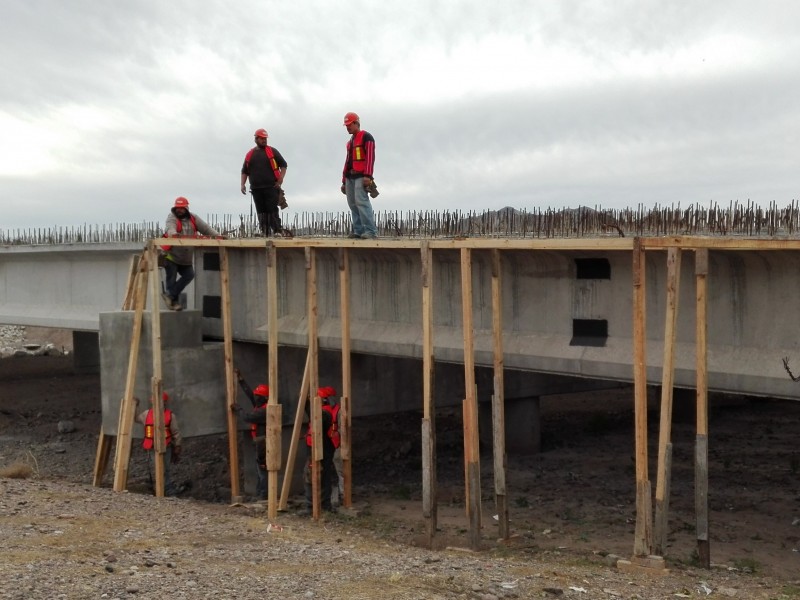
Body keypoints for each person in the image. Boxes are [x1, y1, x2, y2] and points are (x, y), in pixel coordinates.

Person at [160, 196, 222, 311]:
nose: (179, 210)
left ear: (186, 208)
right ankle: (174, 304)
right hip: (172, 256)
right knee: (171, 280)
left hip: (186, 258)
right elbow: (170, 228)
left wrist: (218, 236)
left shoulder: (193, 218)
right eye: (177, 208)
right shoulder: (172, 217)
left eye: (182, 208)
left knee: (189, 275)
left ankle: (169, 295)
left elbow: (206, 229)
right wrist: (174, 234)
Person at [240, 128, 289, 237]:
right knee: (261, 211)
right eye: (262, 138)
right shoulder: (250, 154)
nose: (264, 140)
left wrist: (280, 179)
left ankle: (277, 231)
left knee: (272, 209)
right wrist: (242, 184)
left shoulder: (272, 151)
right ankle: (265, 231)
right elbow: (244, 171)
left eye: (265, 139)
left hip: (271, 187)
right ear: (256, 139)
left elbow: (284, 165)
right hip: (256, 189)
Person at [301, 386, 340, 515]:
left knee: (310, 476)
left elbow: (314, 417)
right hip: (324, 449)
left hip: (319, 450)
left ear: (322, 400)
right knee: (324, 476)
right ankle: (324, 505)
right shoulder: (327, 411)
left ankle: (311, 507)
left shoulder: (323, 414)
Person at [134, 392, 183, 496]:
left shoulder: (170, 415)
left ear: (165, 403)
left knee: (165, 468)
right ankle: (159, 488)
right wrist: (135, 405)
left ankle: (167, 489)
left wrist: (178, 446)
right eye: (154, 402)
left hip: (166, 446)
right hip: (152, 446)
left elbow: (176, 432)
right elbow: (135, 418)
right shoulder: (146, 414)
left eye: (161, 402)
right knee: (156, 467)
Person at [233, 368, 270, 501]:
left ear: (264, 398)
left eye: (258, 396)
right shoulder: (262, 405)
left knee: (263, 468)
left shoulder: (264, 411)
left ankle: (264, 494)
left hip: (263, 442)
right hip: (260, 441)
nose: (255, 397)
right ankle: (261, 492)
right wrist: (241, 380)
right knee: (260, 468)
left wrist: (239, 410)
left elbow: (247, 417)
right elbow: (250, 395)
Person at [341, 112, 378, 239]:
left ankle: (370, 231)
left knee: (361, 202)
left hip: (361, 175)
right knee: (352, 203)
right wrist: (343, 181)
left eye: (349, 125)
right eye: (346, 125)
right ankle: (358, 230)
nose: (347, 127)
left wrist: (368, 175)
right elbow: (347, 161)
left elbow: (370, 157)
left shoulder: (367, 137)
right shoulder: (350, 142)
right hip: (350, 177)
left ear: (357, 123)